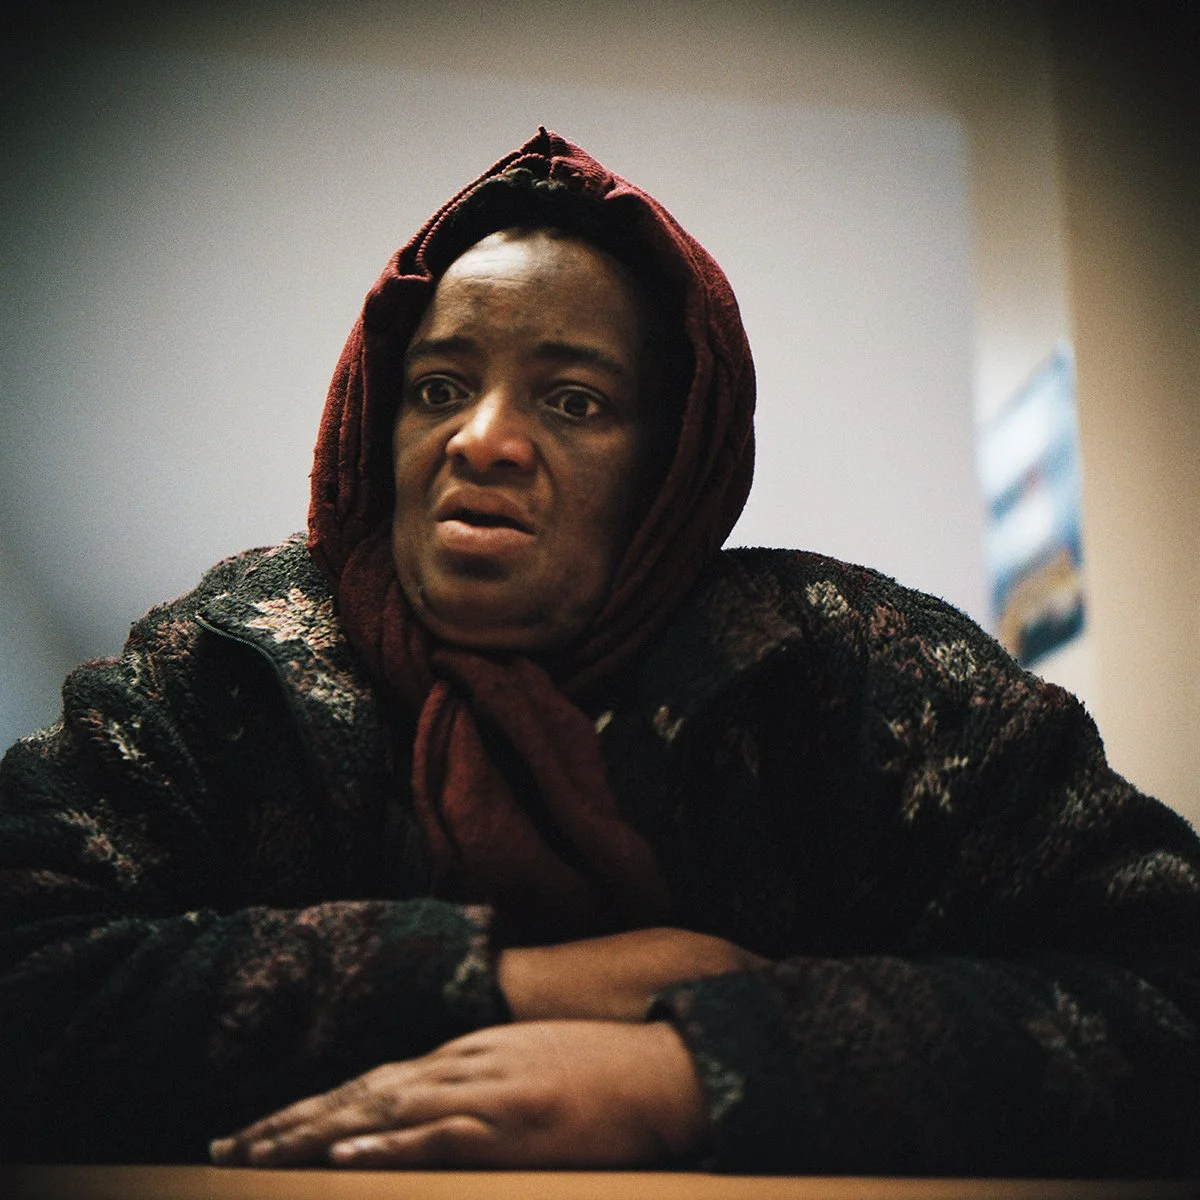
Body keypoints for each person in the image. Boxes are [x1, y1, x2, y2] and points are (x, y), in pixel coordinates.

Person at [1, 129, 1197, 1177]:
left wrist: (691, 1074)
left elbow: (1165, 983)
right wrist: (519, 983)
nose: (482, 439)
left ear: (671, 469)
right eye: (438, 387)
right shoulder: (230, 665)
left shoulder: (849, 675)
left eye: (573, 401)